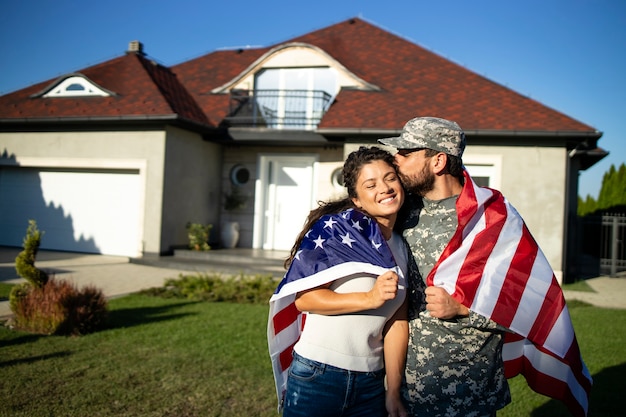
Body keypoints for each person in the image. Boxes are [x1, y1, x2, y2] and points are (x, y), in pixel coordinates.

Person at [378, 116, 591, 417]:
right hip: (406, 389)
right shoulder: (398, 211)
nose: (395, 160)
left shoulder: (494, 220)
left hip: (470, 394)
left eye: (406, 153)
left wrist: (462, 308)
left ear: (438, 161)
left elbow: (531, 306)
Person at [267, 146, 417, 417]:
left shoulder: (403, 248)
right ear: (356, 200)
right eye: (370, 184)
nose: (384, 188)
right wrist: (369, 298)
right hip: (318, 375)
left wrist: (393, 389)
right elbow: (305, 300)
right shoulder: (337, 233)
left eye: (390, 178)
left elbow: (398, 321)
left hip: (372, 382)